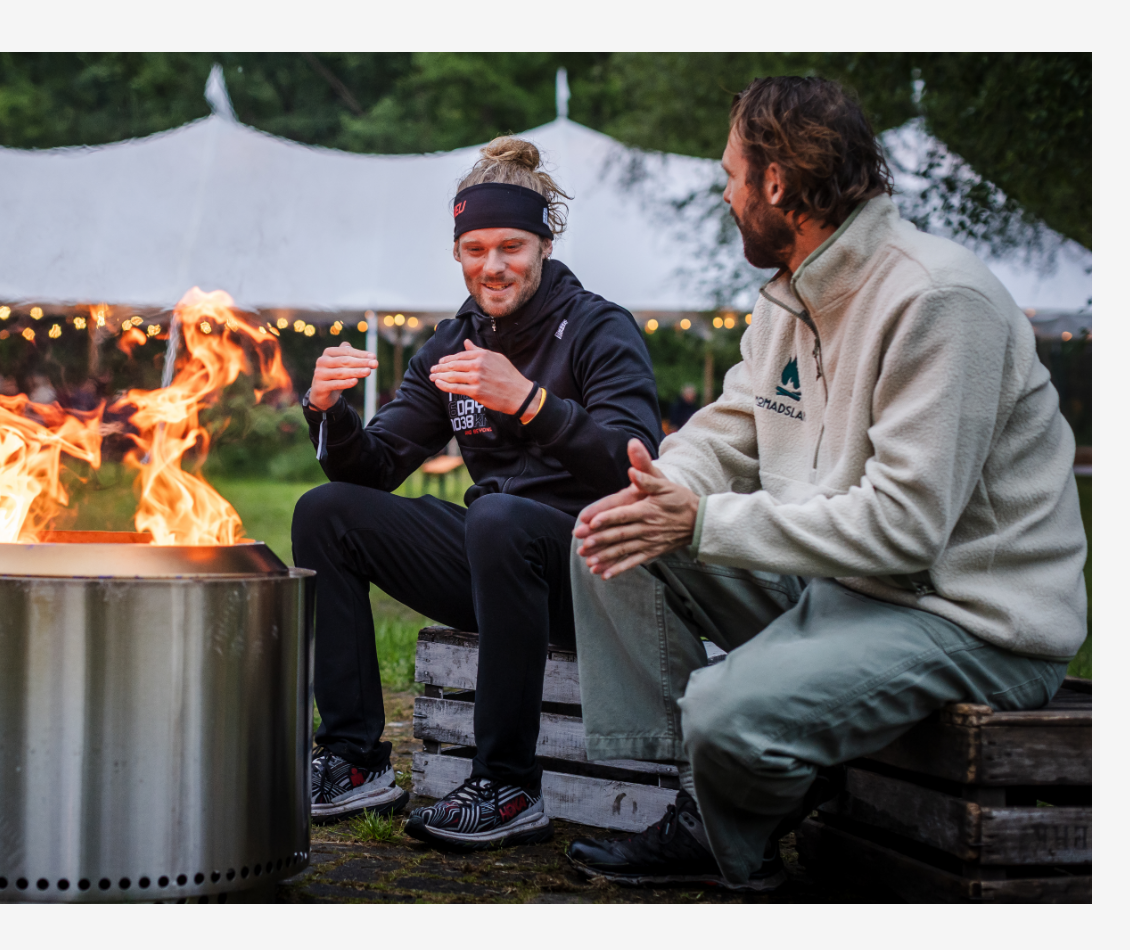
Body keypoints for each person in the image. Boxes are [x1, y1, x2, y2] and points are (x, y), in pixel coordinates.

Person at [563, 77, 1088, 891]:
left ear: (776, 183)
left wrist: (701, 524)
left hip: (968, 617)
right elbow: (733, 426)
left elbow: (905, 531)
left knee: (724, 711)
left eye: (732, 175)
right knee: (609, 534)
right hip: (845, 585)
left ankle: (737, 812)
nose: (727, 195)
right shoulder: (792, 292)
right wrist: (660, 489)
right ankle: (701, 800)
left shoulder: (938, 299)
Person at [293, 137, 663, 850]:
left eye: (512, 246)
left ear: (544, 245)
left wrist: (529, 403)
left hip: (592, 574)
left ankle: (508, 785)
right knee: (326, 513)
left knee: (496, 517)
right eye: (475, 248)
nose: (492, 267)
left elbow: (633, 467)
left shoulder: (597, 327)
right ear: (458, 252)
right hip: (498, 566)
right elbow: (372, 467)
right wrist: (330, 411)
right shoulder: (449, 349)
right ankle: (352, 761)